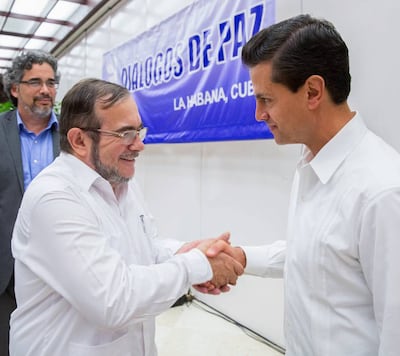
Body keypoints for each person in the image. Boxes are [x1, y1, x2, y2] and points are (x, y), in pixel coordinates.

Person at [207, 14, 400, 355]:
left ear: (313, 91)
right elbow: (319, 255)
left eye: (266, 99)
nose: (259, 114)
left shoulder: (385, 192)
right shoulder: (311, 165)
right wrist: (242, 257)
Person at [9, 78, 243, 356]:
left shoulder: (122, 183)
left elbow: (146, 246)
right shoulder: (54, 198)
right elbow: (112, 301)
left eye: (139, 131)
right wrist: (197, 266)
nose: (139, 145)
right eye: (124, 134)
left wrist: (185, 252)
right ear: (79, 140)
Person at [0, 50, 60, 355]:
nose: (45, 90)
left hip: (62, 262)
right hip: (5, 268)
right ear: (15, 88)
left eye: (51, 82)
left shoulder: (74, 136)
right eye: (35, 82)